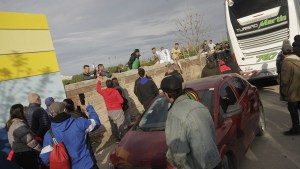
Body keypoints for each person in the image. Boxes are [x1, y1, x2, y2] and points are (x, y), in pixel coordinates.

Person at [160, 75, 221, 169]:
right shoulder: (200, 106)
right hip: (216, 162)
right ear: (181, 89)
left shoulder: (175, 114)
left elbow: (178, 155)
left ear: (166, 94)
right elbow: (212, 134)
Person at [40, 102, 100, 169]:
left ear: (50, 115)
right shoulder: (80, 122)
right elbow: (96, 123)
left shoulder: (49, 135)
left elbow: (44, 158)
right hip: (88, 164)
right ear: (65, 110)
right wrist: (89, 107)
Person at [63, 98, 98, 168]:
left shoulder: (60, 123)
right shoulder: (79, 115)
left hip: (73, 163)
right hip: (87, 159)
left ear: (64, 109)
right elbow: (93, 123)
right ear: (73, 105)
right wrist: (89, 108)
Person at [6, 104, 41, 169]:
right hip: (25, 154)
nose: (26, 112)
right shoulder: (18, 124)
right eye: (24, 110)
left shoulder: (13, 123)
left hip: (20, 153)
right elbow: (29, 141)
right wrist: (40, 149)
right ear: (20, 113)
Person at [96, 77, 126, 141]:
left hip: (110, 111)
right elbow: (121, 101)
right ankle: (123, 138)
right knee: (120, 124)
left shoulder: (104, 92)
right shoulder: (115, 91)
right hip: (118, 109)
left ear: (106, 85)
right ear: (112, 84)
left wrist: (99, 81)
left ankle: (117, 139)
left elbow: (98, 90)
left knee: (113, 126)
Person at [280, 41, 300, 135]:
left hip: (292, 91)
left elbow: (284, 80)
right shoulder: (298, 59)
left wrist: (284, 92)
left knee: (293, 109)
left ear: (283, 52)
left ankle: (296, 128)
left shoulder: (286, 63)